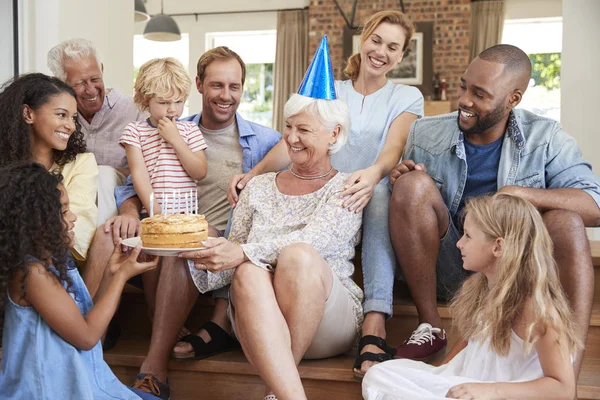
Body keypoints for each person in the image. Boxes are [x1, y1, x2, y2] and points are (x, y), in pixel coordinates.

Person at [226, 10, 424, 378]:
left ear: (401, 56)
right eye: (376, 40)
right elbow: (296, 140)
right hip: (320, 186)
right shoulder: (335, 90)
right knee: (251, 199)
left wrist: (371, 175)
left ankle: (375, 318)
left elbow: (394, 147)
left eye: (393, 47)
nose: (381, 51)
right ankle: (223, 310)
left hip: (363, 188)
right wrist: (251, 175)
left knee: (378, 193)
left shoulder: (406, 96)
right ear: (363, 40)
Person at [388, 44, 600, 377]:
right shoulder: (425, 132)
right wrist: (402, 182)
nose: (464, 100)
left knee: (567, 221)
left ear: (513, 99)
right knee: (411, 185)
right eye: (463, 87)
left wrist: (520, 194)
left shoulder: (546, 138)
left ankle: (565, 367)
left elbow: (593, 205)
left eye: (480, 94)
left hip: (516, 273)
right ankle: (431, 325)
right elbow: (412, 212)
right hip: (452, 263)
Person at [181, 59, 363, 400]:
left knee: (297, 256)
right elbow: (232, 258)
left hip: (327, 321)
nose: (291, 138)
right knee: (247, 273)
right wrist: (202, 250)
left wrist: (242, 253)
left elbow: (314, 242)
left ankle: (277, 388)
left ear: (334, 134)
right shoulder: (258, 187)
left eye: (304, 130)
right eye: (288, 126)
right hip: (258, 321)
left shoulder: (347, 188)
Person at [110, 47, 280, 399]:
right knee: (112, 237)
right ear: (200, 86)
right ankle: (87, 345)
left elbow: (296, 153)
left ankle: (154, 367)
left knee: (183, 244)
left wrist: (255, 173)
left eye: (235, 86)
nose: (226, 95)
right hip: (162, 228)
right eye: (217, 85)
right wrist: (128, 212)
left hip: (213, 237)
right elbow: (132, 183)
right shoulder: (168, 128)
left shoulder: (262, 140)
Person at [362, 193, 582, 400]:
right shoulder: (482, 288)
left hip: (499, 394)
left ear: (498, 246)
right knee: (379, 375)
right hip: (470, 385)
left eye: (468, 236)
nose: (459, 243)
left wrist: (490, 390)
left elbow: (563, 388)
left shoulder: (538, 309)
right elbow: (469, 343)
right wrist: (437, 377)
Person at [0, 162, 160, 400]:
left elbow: (84, 317)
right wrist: (122, 279)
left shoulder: (54, 263)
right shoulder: (33, 274)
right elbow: (86, 337)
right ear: (36, 221)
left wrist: (112, 273)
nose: (73, 217)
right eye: (64, 211)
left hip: (80, 383)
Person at [120, 56, 208, 315]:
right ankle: (153, 312)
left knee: (177, 267)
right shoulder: (134, 132)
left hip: (187, 219)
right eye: (164, 102)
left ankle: (170, 316)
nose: (172, 110)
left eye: (179, 102)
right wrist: (155, 211)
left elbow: (200, 171)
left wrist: (176, 140)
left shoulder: (190, 131)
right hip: (154, 215)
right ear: (144, 100)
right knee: (151, 264)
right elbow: (139, 175)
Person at [0, 73, 97, 265]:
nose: (70, 126)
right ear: (28, 114)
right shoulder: (5, 167)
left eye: (73, 118)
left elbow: (73, 231)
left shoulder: (81, 162)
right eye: (61, 114)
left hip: (58, 261)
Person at [48, 38, 147, 224]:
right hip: (72, 202)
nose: (91, 90)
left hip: (122, 201)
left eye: (95, 79)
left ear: (102, 69)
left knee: (102, 174)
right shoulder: (57, 118)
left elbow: (150, 172)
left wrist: (90, 172)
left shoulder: (135, 112)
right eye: (79, 84)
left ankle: (104, 241)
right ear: (60, 82)